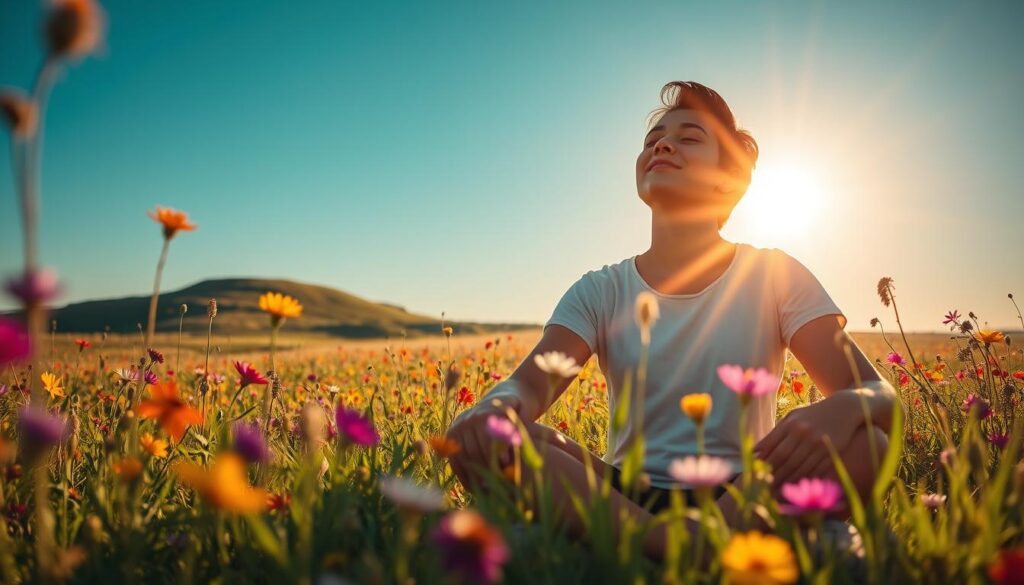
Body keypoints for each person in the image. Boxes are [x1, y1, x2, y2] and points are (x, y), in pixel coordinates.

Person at [444, 81, 896, 562]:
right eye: (653, 139)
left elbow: (878, 394)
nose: (661, 144)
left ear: (730, 180)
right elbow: (527, 388)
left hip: (744, 494)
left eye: (690, 138)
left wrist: (840, 409)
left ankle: (647, 547)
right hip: (622, 495)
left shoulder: (773, 274)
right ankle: (694, 549)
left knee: (869, 442)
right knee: (483, 441)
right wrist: (494, 407)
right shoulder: (601, 289)